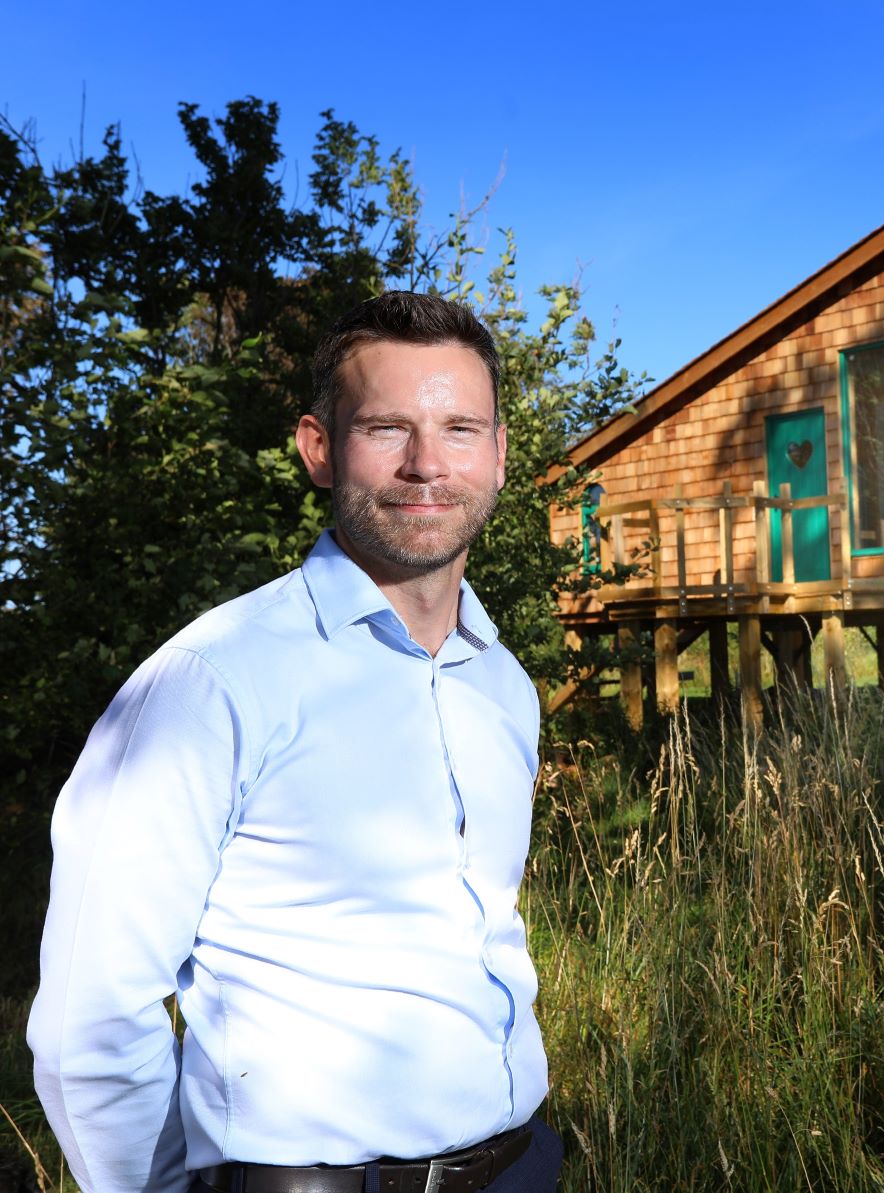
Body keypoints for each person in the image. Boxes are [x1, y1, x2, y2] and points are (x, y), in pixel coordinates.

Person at [29, 292, 563, 1193]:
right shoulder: (213, 680)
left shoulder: (503, 686)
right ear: (319, 448)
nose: (427, 462)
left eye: (461, 428)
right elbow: (92, 1017)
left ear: (500, 456)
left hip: (519, 1166)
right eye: (388, 427)